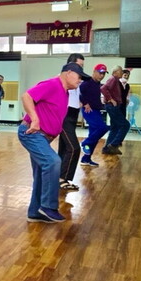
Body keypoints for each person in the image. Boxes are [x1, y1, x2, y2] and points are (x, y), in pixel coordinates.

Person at [18, 62, 90, 224]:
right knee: (53, 162)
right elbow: (27, 96)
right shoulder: (52, 84)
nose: (80, 81)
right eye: (79, 77)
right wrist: (35, 119)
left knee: (41, 174)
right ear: (69, 73)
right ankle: (48, 206)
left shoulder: (64, 92)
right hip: (31, 133)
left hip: (43, 137)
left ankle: (34, 212)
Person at [58, 53, 85, 191]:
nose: (81, 69)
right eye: (79, 66)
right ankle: (62, 178)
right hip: (64, 115)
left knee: (64, 148)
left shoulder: (77, 80)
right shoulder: (61, 80)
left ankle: (59, 178)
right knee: (73, 147)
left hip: (73, 114)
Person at [80, 64, 110, 167]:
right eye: (100, 73)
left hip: (96, 110)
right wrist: (85, 103)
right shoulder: (87, 82)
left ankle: (86, 159)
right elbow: (79, 93)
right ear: (94, 71)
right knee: (103, 128)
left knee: (94, 135)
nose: (102, 75)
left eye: (104, 74)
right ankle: (84, 143)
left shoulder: (98, 84)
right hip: (89, 111)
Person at [101, 66, 129, 155]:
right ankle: (113, 145)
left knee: (115, 127)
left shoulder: (116, 80)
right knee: (125, 125)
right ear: (116, 72)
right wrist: (110, 99)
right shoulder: (113, 79)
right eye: (121, 71)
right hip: (112, 106)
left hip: (113, 107)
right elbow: (103, 88)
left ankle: (106, 149)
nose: (122, 73)